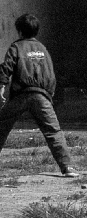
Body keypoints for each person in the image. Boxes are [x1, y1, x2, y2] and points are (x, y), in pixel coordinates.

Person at [0, 14, 78, 178]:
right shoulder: (43, 49)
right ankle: (67, 167)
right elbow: (50, 74)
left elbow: (6, 67)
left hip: (21, 95)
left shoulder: (16, 47)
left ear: (19, 31)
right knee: (53, 131)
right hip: (41, 96)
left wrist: (2, 86)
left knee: (2, 126)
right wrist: (49, 94)